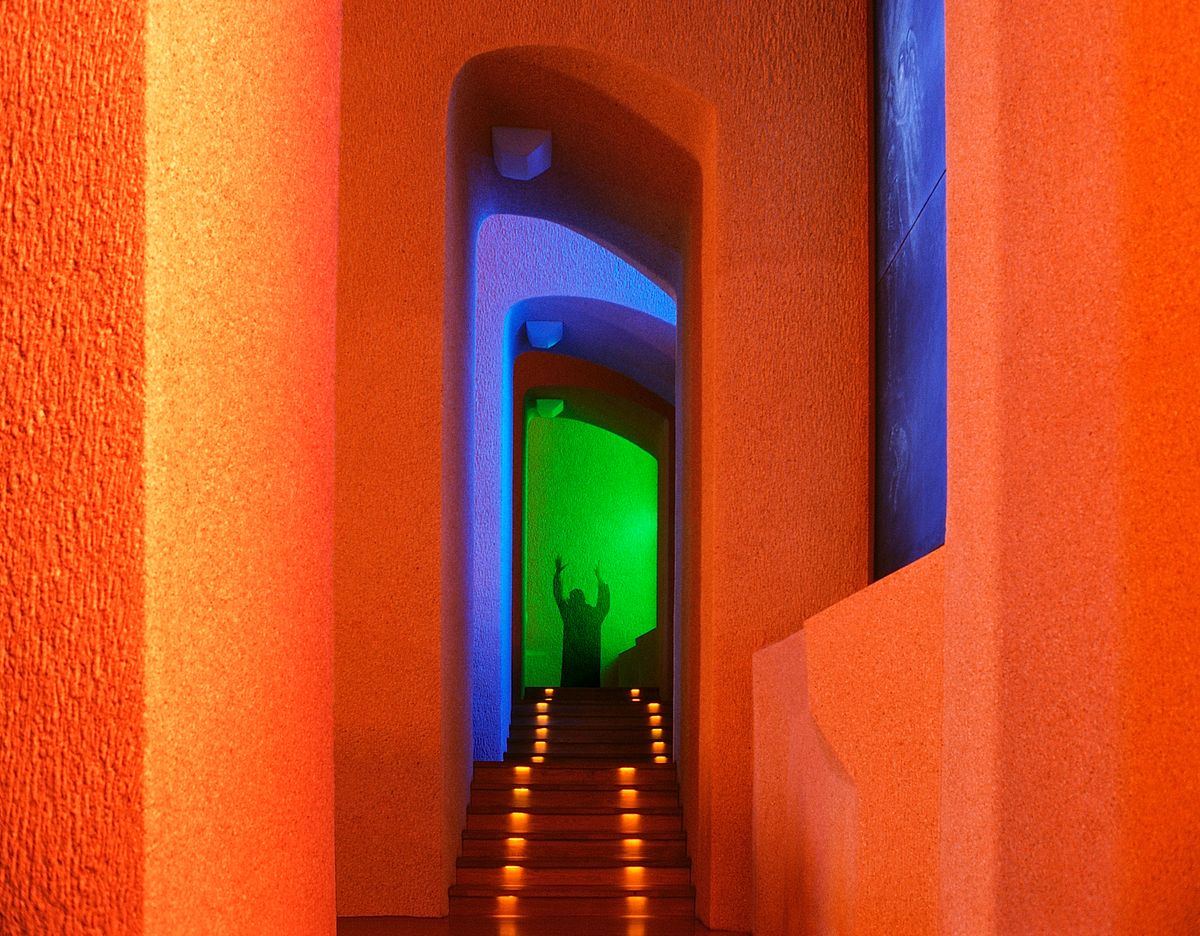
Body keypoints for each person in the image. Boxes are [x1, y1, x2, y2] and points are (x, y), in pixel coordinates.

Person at [552, 554, 610, 687]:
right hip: (591, 666)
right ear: (584, 599)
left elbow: (558, 596)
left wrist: (557, 575)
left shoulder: (569, 613)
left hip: (571, 667)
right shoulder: (593, 615)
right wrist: (600, 578)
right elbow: (604, 604)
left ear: (571, 600)